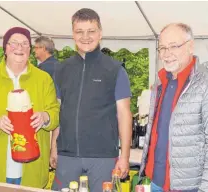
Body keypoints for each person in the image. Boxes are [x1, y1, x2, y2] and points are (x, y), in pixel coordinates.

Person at [51, 8, 132, 192]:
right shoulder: (61, 69)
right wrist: (53, 148)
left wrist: (124, 156)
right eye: (79, 31)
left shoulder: (115, 69)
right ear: (73, 34)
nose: (85, 36)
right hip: (67, 155)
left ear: (100, 33)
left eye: (91, 31)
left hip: (102, 157)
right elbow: (59, 111)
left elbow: (124, 115)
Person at [0, 27, 59, 188]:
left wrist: (46, 117)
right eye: (14, 43)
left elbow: (55, 112)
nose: (19, 48)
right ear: (5, 48)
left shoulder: (43, 79)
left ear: (30, 50)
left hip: (33, 166)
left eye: (25, 44)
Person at [139, 23, 208, 192]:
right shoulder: (160, 81)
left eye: (173, 46)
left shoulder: (205, 84)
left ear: (191, 46)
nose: (166, 54)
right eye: (162, 48)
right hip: (156, 182)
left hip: (189, 186)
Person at [34, 36, 61, 169]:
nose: (34, 51)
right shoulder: (62, 66)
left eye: (36, 47)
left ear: (44, 48)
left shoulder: (41, 71)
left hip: (46, 117)